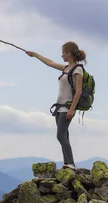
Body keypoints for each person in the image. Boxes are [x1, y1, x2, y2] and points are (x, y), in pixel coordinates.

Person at [26, 41, 87, 170]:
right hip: (59, 108)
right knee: (64, 135)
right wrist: (35, 54)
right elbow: (50, 63)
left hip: (67, 108)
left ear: (69, 53)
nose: (62, 55)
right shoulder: (66, 68)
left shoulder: (78, 69)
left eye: (63, 53)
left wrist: (72, 109)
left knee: (60, 135)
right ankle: (68, 163)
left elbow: (79, 90)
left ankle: (70, 163)